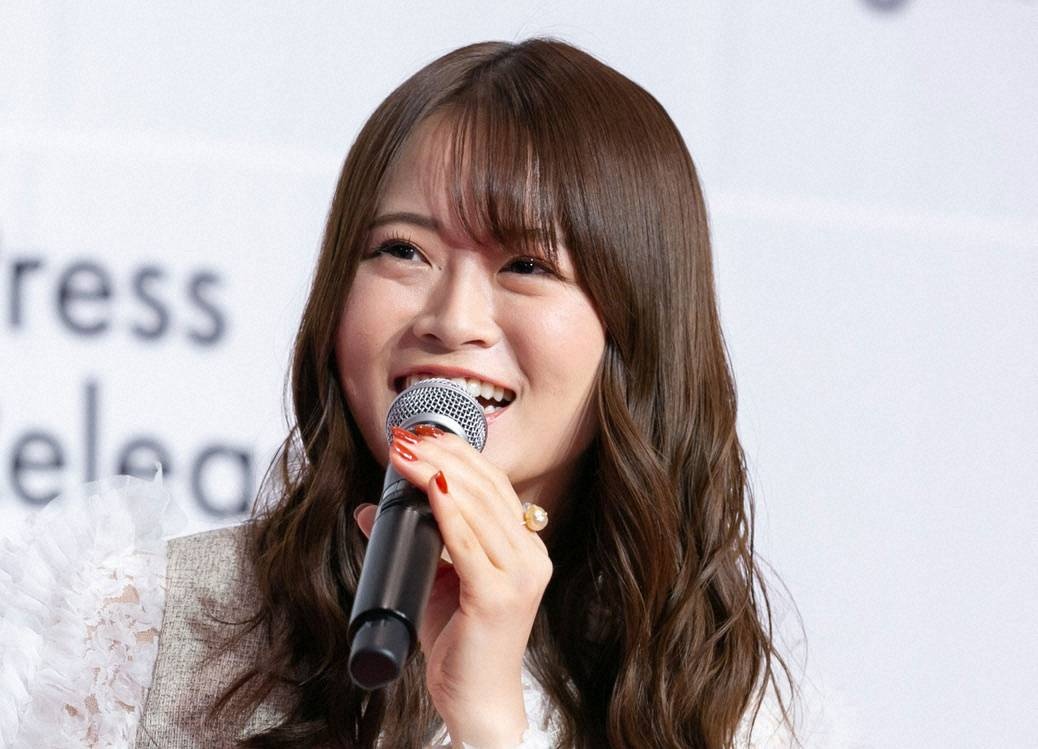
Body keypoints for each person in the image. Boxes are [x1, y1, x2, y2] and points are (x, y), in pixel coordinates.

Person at [0, 38, 806, 748]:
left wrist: (487, 722)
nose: (451, 319)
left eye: (526, 265)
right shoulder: (140, 625)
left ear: (639, 328)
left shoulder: (724, 712)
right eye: (403, 250)